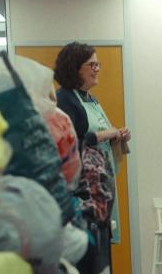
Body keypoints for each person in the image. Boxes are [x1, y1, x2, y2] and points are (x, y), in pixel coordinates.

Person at [55, 42, 131, 244]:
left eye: (98, 65)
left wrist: (118, 135)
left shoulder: (90, 98)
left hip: (101, 181)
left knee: (103, 244)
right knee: (93, 249)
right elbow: (69, 145)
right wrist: (106, 134)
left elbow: (97, 133)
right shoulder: (65, 100)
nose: (97, 70)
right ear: (75, 67)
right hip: (83, 190)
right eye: (92, 65)